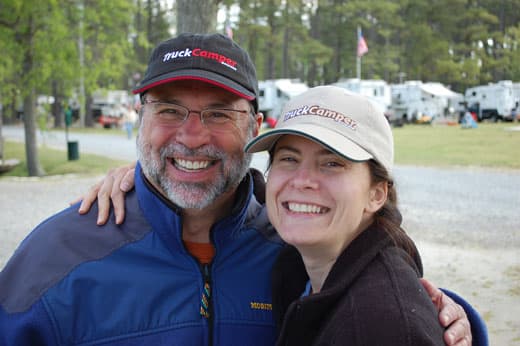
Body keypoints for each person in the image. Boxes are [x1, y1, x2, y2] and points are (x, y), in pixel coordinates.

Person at [0, 33, 471, 345]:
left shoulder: (294, 242)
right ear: (138, 118)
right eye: (168, 110)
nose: (191, 135)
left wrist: (457, 321)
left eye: (219, 113)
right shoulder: (58, 256)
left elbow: (378, 296)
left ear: (255, 128)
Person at [245, 85, 445, 345]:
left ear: (376, 194)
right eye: (289, 159)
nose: (302, 180)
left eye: (332, 163)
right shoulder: (300, 271)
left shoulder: (382, 326)